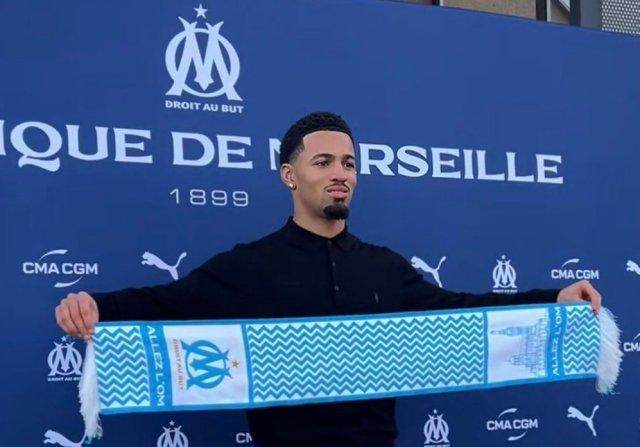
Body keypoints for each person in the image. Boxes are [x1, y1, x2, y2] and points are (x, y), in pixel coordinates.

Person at [55, 111, 602, 447]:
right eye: (323, 163)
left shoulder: (384, 266)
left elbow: (463, 310)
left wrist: (553, 298)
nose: (340, 174)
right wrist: (93, 306)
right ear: (289, 176)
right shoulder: (249, 264)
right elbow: (168, 302)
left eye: (348, 163)